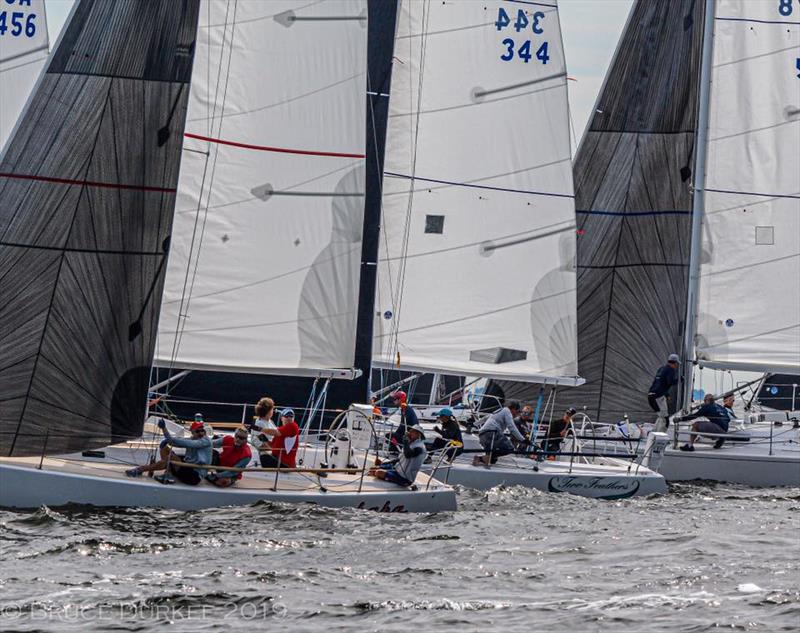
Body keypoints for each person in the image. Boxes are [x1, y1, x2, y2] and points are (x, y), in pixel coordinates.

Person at [126, 418, 212, 485]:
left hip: (194, 477)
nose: (201, 433)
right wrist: (166, 437)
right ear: (192, 432)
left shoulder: (204, 441)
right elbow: (173, 442)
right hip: (188, 468)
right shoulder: (193, 439)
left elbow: (179, 441)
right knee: (165, 448)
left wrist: (164, 429)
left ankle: (141, 469)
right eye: (198, 431)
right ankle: (168, 473)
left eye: (202, 430)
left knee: (171, 457)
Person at [473, 400, 525, 466]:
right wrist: (523, 439)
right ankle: (484, 458)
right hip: (491, 434)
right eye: (517, 412)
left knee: (493, 460)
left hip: (482, 435)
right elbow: (512, 427)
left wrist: (474, 424)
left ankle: (481, 459)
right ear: (513, 409)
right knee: (509, 448)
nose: (517, 414)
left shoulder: (499, 411)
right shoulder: (507, 411)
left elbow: (485, 418)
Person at [648, 353, 680, 432]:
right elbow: (669, 382)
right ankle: (660, 437)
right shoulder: (671, 370)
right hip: (658, 397)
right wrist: (680, 380)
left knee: (661, 417)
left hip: (651, 396)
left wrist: (666, 394)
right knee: (665, 420)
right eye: (677, 364)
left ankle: (653, 434)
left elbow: (659, 383)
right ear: (675, 363)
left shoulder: (661, 368)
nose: (677, 366)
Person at [250, 397, 277, 462]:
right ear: (268, 412)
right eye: (272, 409)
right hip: (266, 453)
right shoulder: (259, 424)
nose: (273, 411)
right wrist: (274, 451)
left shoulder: (270, 421)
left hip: (274, 449)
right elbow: (258, 442)